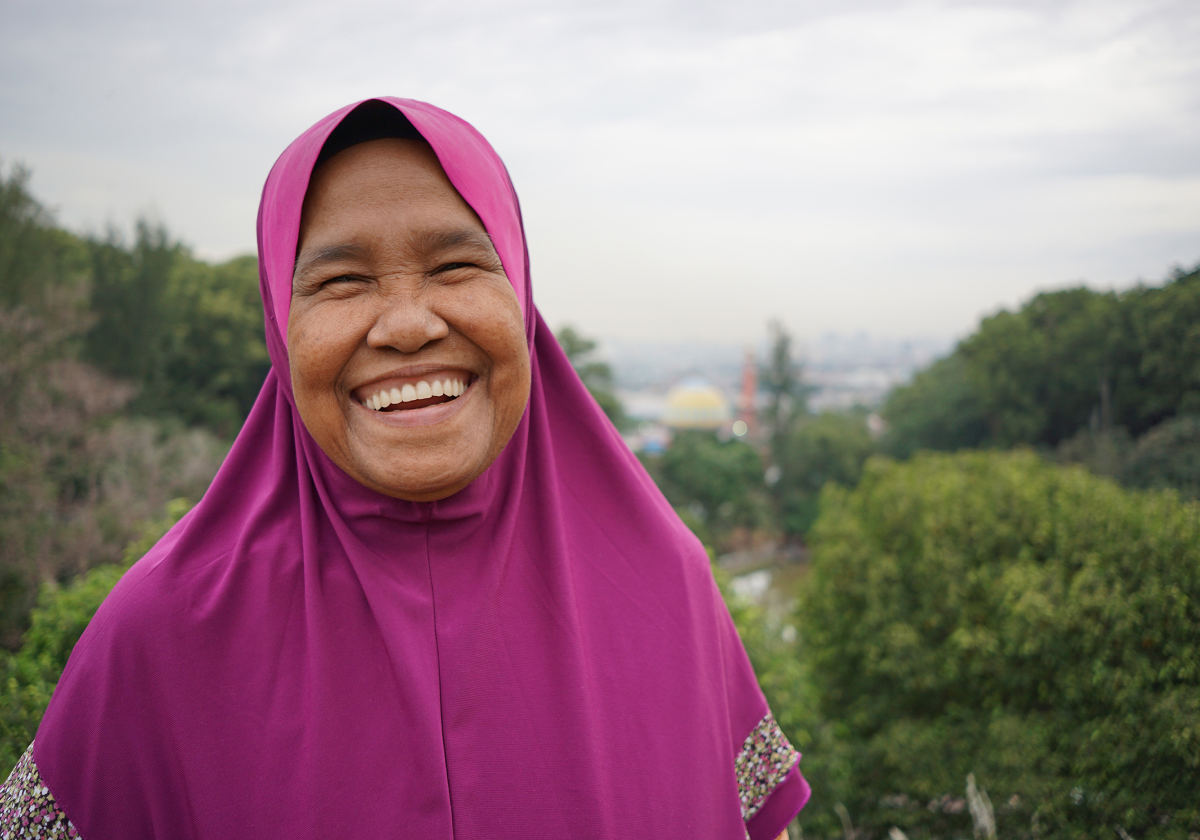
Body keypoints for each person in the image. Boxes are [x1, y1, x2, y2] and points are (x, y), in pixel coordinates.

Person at [0, 98, 809, 839]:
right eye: (343, 281)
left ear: (521, 295)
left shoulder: (662, 588)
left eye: (456, 266)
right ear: (281, 331)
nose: (409, 324)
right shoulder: (162, 633)